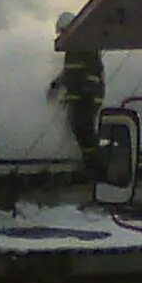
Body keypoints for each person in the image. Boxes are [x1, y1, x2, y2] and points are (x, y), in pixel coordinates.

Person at [49, 13, 105, 167]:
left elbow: (93, 72)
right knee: (77, 129)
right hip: (78, 98)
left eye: (62, 32)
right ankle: (87, 160)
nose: (61, 36)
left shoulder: (86, 45)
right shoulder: (72, 50)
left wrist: (87, 91)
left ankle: (95, 163)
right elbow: (70, 72)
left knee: (84, 129)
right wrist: (57, 83)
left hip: (89, 98)